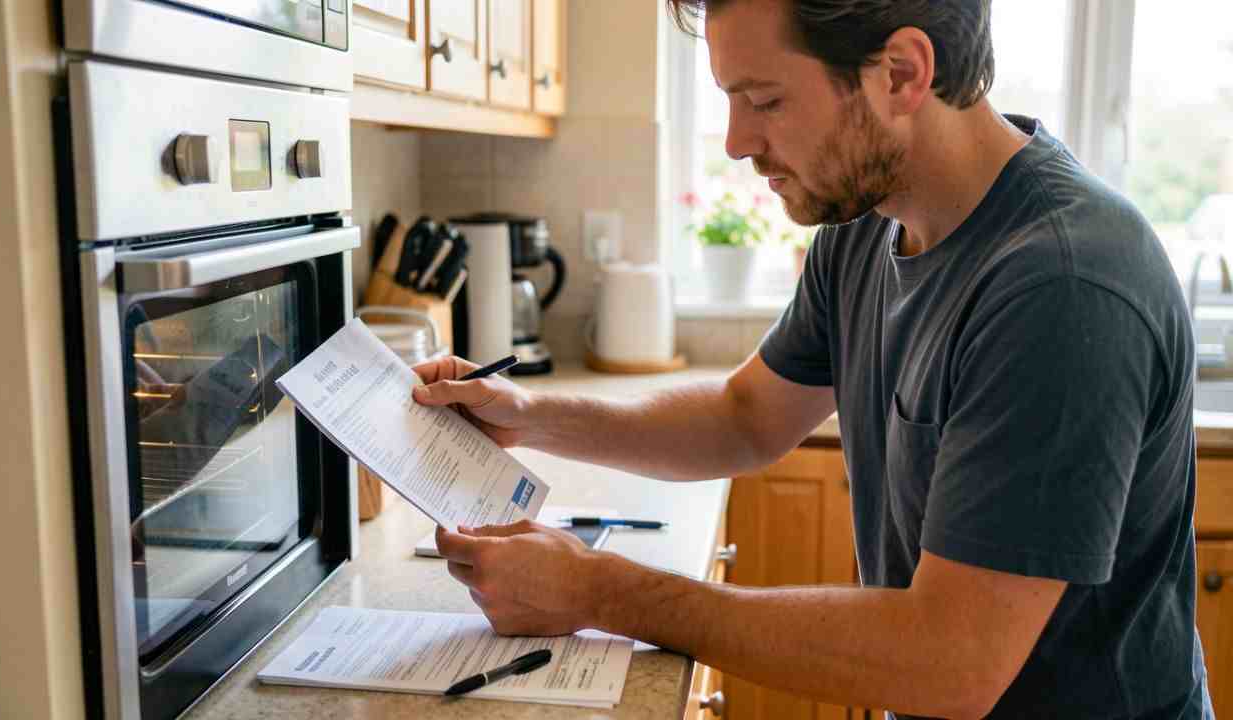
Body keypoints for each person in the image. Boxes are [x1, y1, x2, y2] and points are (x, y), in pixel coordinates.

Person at [412, 0, 1210, 716]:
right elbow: (746, 417)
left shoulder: (1063, 284)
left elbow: (952, 662)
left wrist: (602, 591)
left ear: (901, 73)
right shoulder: (866, 225)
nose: (735, 143)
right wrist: (529, 417)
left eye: (764, 101)